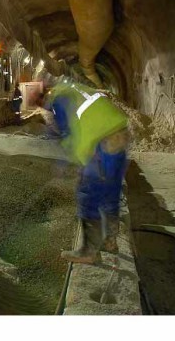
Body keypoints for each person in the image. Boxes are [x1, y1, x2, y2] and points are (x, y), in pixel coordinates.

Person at [43, 78, 129, 264]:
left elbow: (67, 132)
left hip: (101, 145)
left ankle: (89, 251)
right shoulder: (79, 90)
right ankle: (110, 242)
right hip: (119, 138)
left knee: (88, 194)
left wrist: (67, 164)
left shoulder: (59, 99)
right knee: (110, 193)